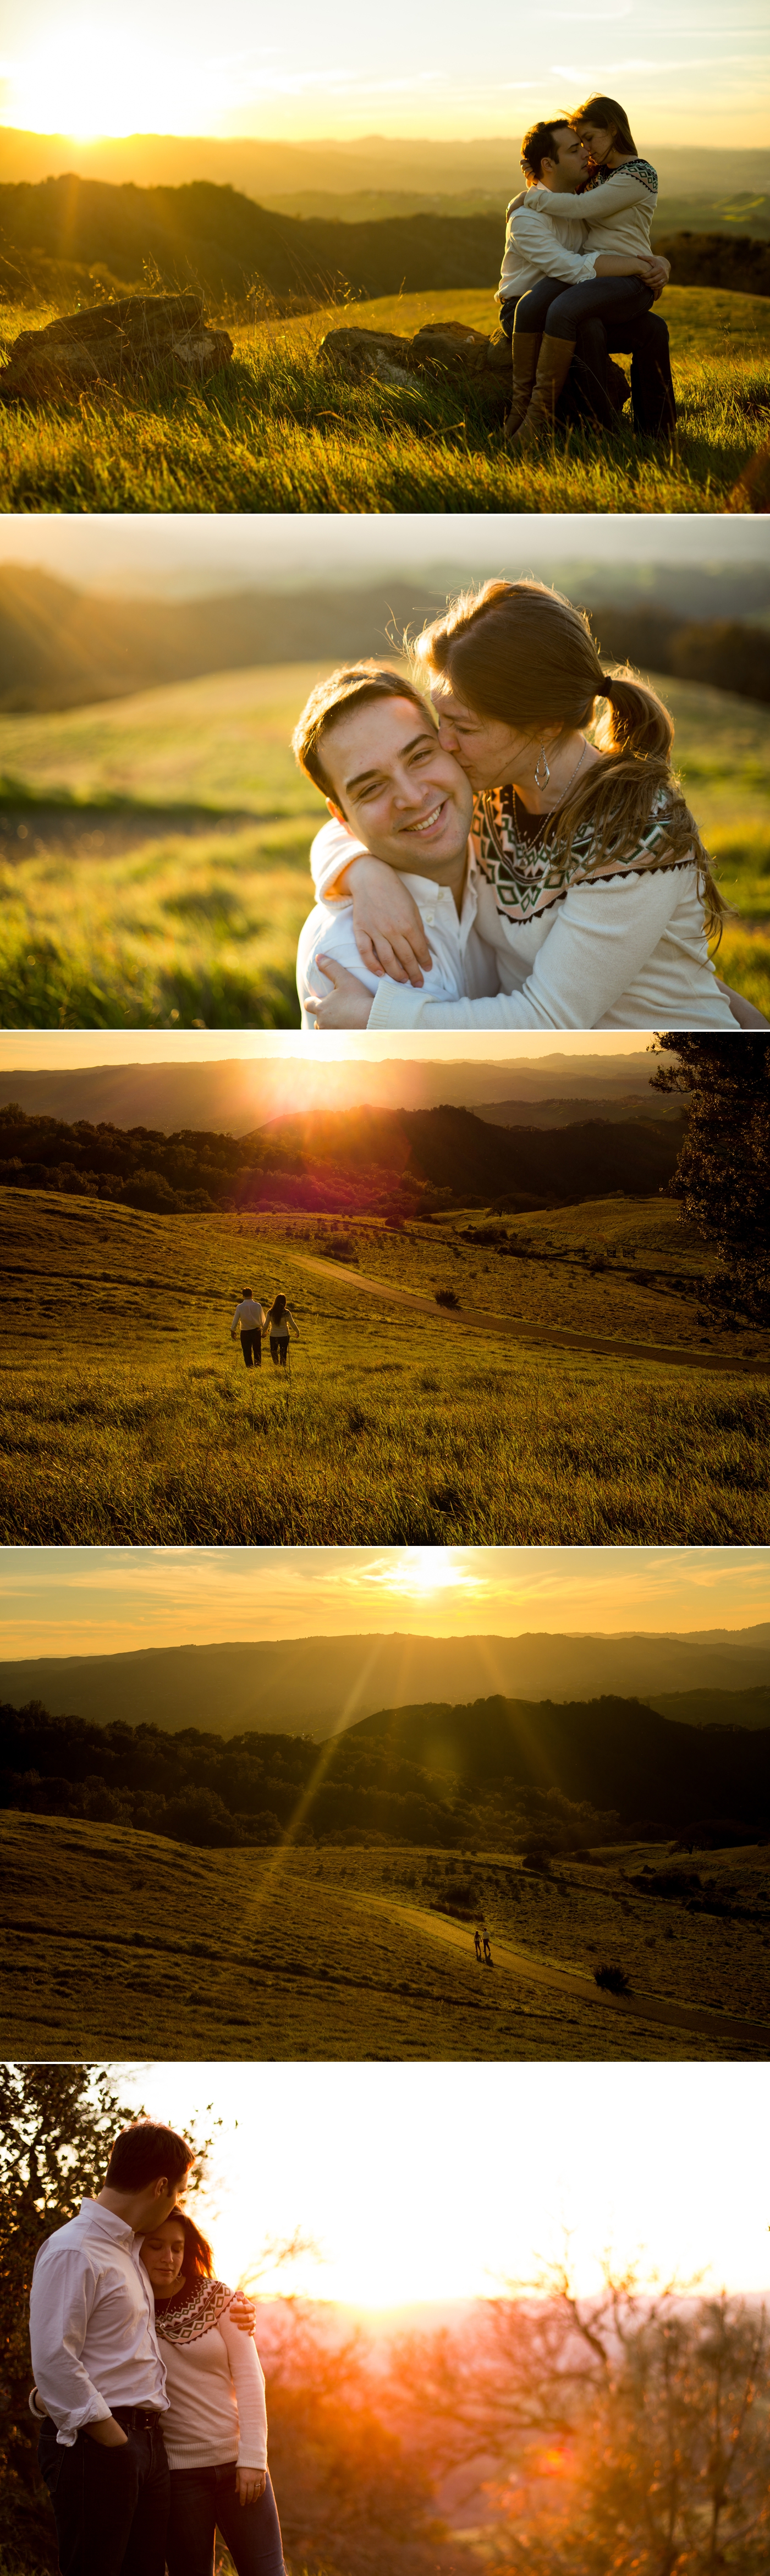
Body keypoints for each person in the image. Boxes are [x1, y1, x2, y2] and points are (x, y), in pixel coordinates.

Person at [293, 608, 763, 1033]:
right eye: (442, 720)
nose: (444, 743)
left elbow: (550, 1019)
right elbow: (364, 814)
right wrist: (364, 872)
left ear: (544, 726)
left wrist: (378, 1019)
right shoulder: (494, 795)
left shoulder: (634, 827)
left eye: (465, 726)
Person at [29, 2120, 194, 2576]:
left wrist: (232, 2309)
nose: (177, 2202)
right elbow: (53, 2358)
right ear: (161, 2186)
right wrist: (114, 2442)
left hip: (146, 2442)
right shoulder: (74, 2250)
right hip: (99, 2443)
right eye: (178, 2191)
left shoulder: (127, 2249)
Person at [498, 105, 673, 444]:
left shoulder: (632, 175)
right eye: (578, 146)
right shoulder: (563, 199)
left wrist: (654, 263)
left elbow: (589, 222)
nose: (586, 152)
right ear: (549, 164)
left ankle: (656, 436)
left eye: (587, 141)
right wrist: (525, 196)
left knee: (634, 326)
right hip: (544, 300)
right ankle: (593, 432)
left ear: (613, 129)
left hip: (600, 286)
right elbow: (574, 265)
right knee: (595, 323)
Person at [140, 2207, 285, 2576]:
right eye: (156, 2246)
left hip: (239, 2467)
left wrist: (253, 2458)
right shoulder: (129, 2307)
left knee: (268, 2572)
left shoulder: (219, 2299)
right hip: (178, 2475)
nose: (168, 2257)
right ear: (138, 2247)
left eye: (177, 2247)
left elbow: (251, 2379)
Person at [231, 1289, 268, 1370]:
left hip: (245, 1332)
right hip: (256, 1331)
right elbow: (263, 1320)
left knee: (247, 1352)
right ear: (252, 1295)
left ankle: (250, 1368)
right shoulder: (258, 1306)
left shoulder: (240, 1307)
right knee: (257, 1350)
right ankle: (258, 1368)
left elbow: (236, 1320)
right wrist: (265, 1331)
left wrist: (233, 1330)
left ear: (243, 1296)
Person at [262, 1293, 300, 1368]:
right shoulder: (287, 1313)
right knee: (283, 1353)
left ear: (275, 1301)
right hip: (285, 1335)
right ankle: (283, 1367)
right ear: (285, 1302)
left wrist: (263, 1333)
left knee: (274, 1351)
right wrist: (298, 1332)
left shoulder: (270, 1312)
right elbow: (292, 1324)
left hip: (274, 1335)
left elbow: (266, 1324)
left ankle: (276, 1366)